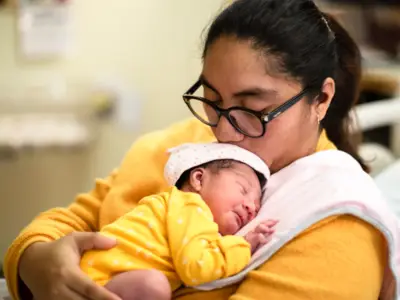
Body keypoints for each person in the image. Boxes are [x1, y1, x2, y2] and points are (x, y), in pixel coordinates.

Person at [3, 0, 394, 299]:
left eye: (253, 109)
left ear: (321, 100)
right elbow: (75, 218)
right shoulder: (186, 148)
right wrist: (37, 263)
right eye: (213, 99)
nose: (224, 129)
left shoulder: (337, 221)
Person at [80, 142, 275, 300]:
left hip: (97, 279)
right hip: (97, 282)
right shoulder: (191, 206)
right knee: (152, 286)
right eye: (242, 189)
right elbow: (197, 267)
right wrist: (244, 246)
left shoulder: (175, 208)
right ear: (198, 179)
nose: (251, 207)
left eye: (257, 205)